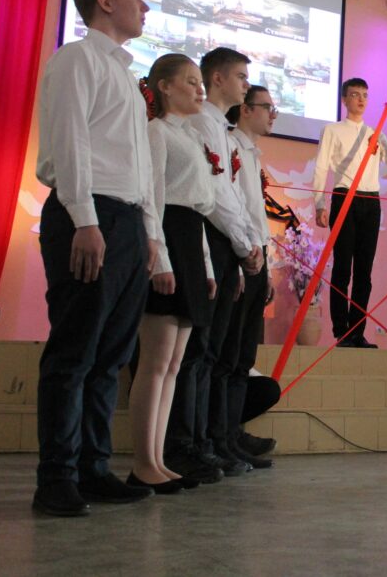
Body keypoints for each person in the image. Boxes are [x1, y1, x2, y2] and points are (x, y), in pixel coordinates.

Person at [34, 0, 160, 516]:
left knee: (111, 356)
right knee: (75, 351)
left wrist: (148, 233)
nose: (145, 7)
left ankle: (92, 468)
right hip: (87, 214)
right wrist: (84, 219)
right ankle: (56, 477)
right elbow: (70, 143)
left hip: (125, 221)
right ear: (105, 2)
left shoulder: (127, 78)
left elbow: (140, 166)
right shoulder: (76, 59)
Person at [166, 47, 264, 479]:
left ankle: (209, 441)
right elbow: (217, 194)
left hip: (228, 243)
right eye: (241, 76)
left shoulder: (219, 128)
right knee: (199, 351)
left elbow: (233, 194)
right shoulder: (203, 123)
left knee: (215, 351)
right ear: (218, 79)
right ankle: (186, 444)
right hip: (210, 237)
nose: (246, 84)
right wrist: (244, 244)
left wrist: (248, 243)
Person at [129, 54, 217, 493]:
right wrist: (160, 260)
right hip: (168, 240)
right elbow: (153, 198)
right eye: (190, 81)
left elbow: (199, 207)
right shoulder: (157, 132)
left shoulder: (192, 137)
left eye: (201, 82)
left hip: (190, 241)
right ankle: (143, 461)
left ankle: (159, 459)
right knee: (155, 361)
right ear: (164, 86)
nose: (200, 89)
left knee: (174, 364)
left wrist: (206, 266)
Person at [312, 77, 387, 348]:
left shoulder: (373, 132)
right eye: (355, 94)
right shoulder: (332, 130)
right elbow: (321, 167)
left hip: (370, 202)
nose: (361, 99)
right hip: (344, 197)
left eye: (365, 95)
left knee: (364, 271)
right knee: (343, 267)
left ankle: (357, 331)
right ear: (344, 99)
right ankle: (341, 331)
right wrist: (319, 203)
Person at [220, 86, 277, 469]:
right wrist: (247, 255)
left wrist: (266, 265)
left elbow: (256, 215)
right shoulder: (230, 147)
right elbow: (232, 207)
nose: (272, 114)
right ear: (244, 109)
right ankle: (220, 437)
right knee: (228, 355)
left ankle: (230, 435)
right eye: (266, 107)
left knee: (244, 356)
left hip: (257, 256)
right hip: (241, 256)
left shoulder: (252, 154)